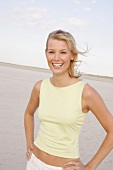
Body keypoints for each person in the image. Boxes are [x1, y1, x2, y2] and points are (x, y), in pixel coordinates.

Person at [24, 30, 113, 170]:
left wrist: (89, 167)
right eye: (51, 52)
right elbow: (28, 113)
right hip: (34, 162)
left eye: (63, 52)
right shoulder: (40, 87)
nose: (56, 58)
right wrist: (29, 143)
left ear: (73, 56)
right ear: (46, 54)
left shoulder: (86, 93)